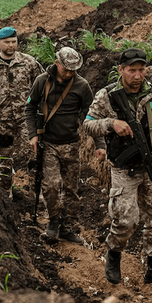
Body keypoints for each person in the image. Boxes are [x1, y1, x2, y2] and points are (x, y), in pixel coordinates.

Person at [83, 47, 152, 289]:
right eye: (131, 70)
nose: (137, 75)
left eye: (141, 70)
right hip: (123, 169)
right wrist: (111, 123)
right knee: (126, 220)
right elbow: (88, 125)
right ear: (121, 70)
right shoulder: (107, 95)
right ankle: (113, 254)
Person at [25, 47, 94, 243]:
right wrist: (33, 135)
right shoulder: (42, 81)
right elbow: (30, 107)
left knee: (71, 189)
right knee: (51, 186)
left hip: (71, 144)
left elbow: (91, 115)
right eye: (67, 69)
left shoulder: (82, 85)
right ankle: (54, 221)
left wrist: (97, 143)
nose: (70, 73)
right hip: (48, 144)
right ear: (57, 63)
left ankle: (68, 227)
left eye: (74, 69)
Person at [0, 26, 44, 149]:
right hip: (2, 119)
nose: (11, 45)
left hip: (26, 118)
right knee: (4, 157)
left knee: (30, 153)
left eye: (14, 42)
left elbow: (43, 85)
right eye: (7, 42)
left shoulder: (29, 62)